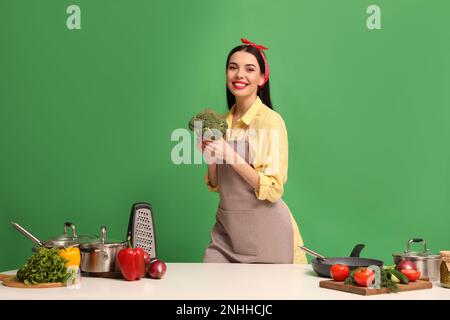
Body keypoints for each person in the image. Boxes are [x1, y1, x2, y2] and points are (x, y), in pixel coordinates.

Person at [198, 38, 307, 264]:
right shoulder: (222, 122)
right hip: (228, 234)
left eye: (250, 69)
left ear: (262, 78)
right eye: (233, 67)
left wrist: (229, 155)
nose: (240, 75)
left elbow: (274, 189)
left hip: (267, 235)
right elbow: (218, 185)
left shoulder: (270, 122)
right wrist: (210, 157)